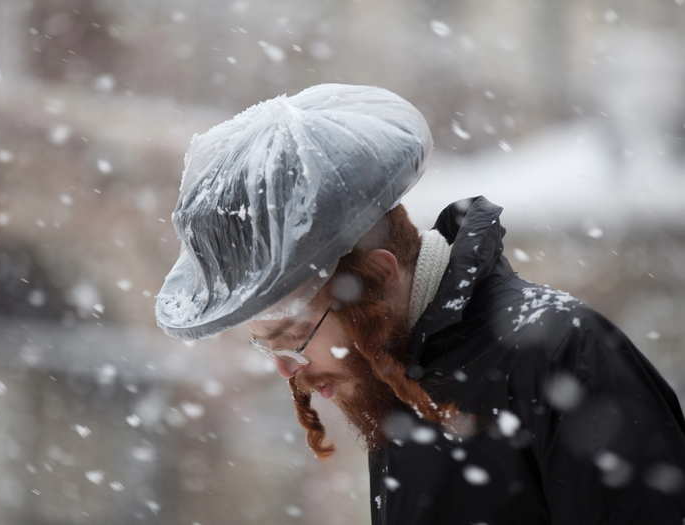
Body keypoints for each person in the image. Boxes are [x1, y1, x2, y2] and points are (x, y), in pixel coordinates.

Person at [156, 84, 685, 524]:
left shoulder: (563, 356)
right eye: (265, 342)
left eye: (293, 336)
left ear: (380, 276)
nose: (286, 369)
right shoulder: (398, 379)